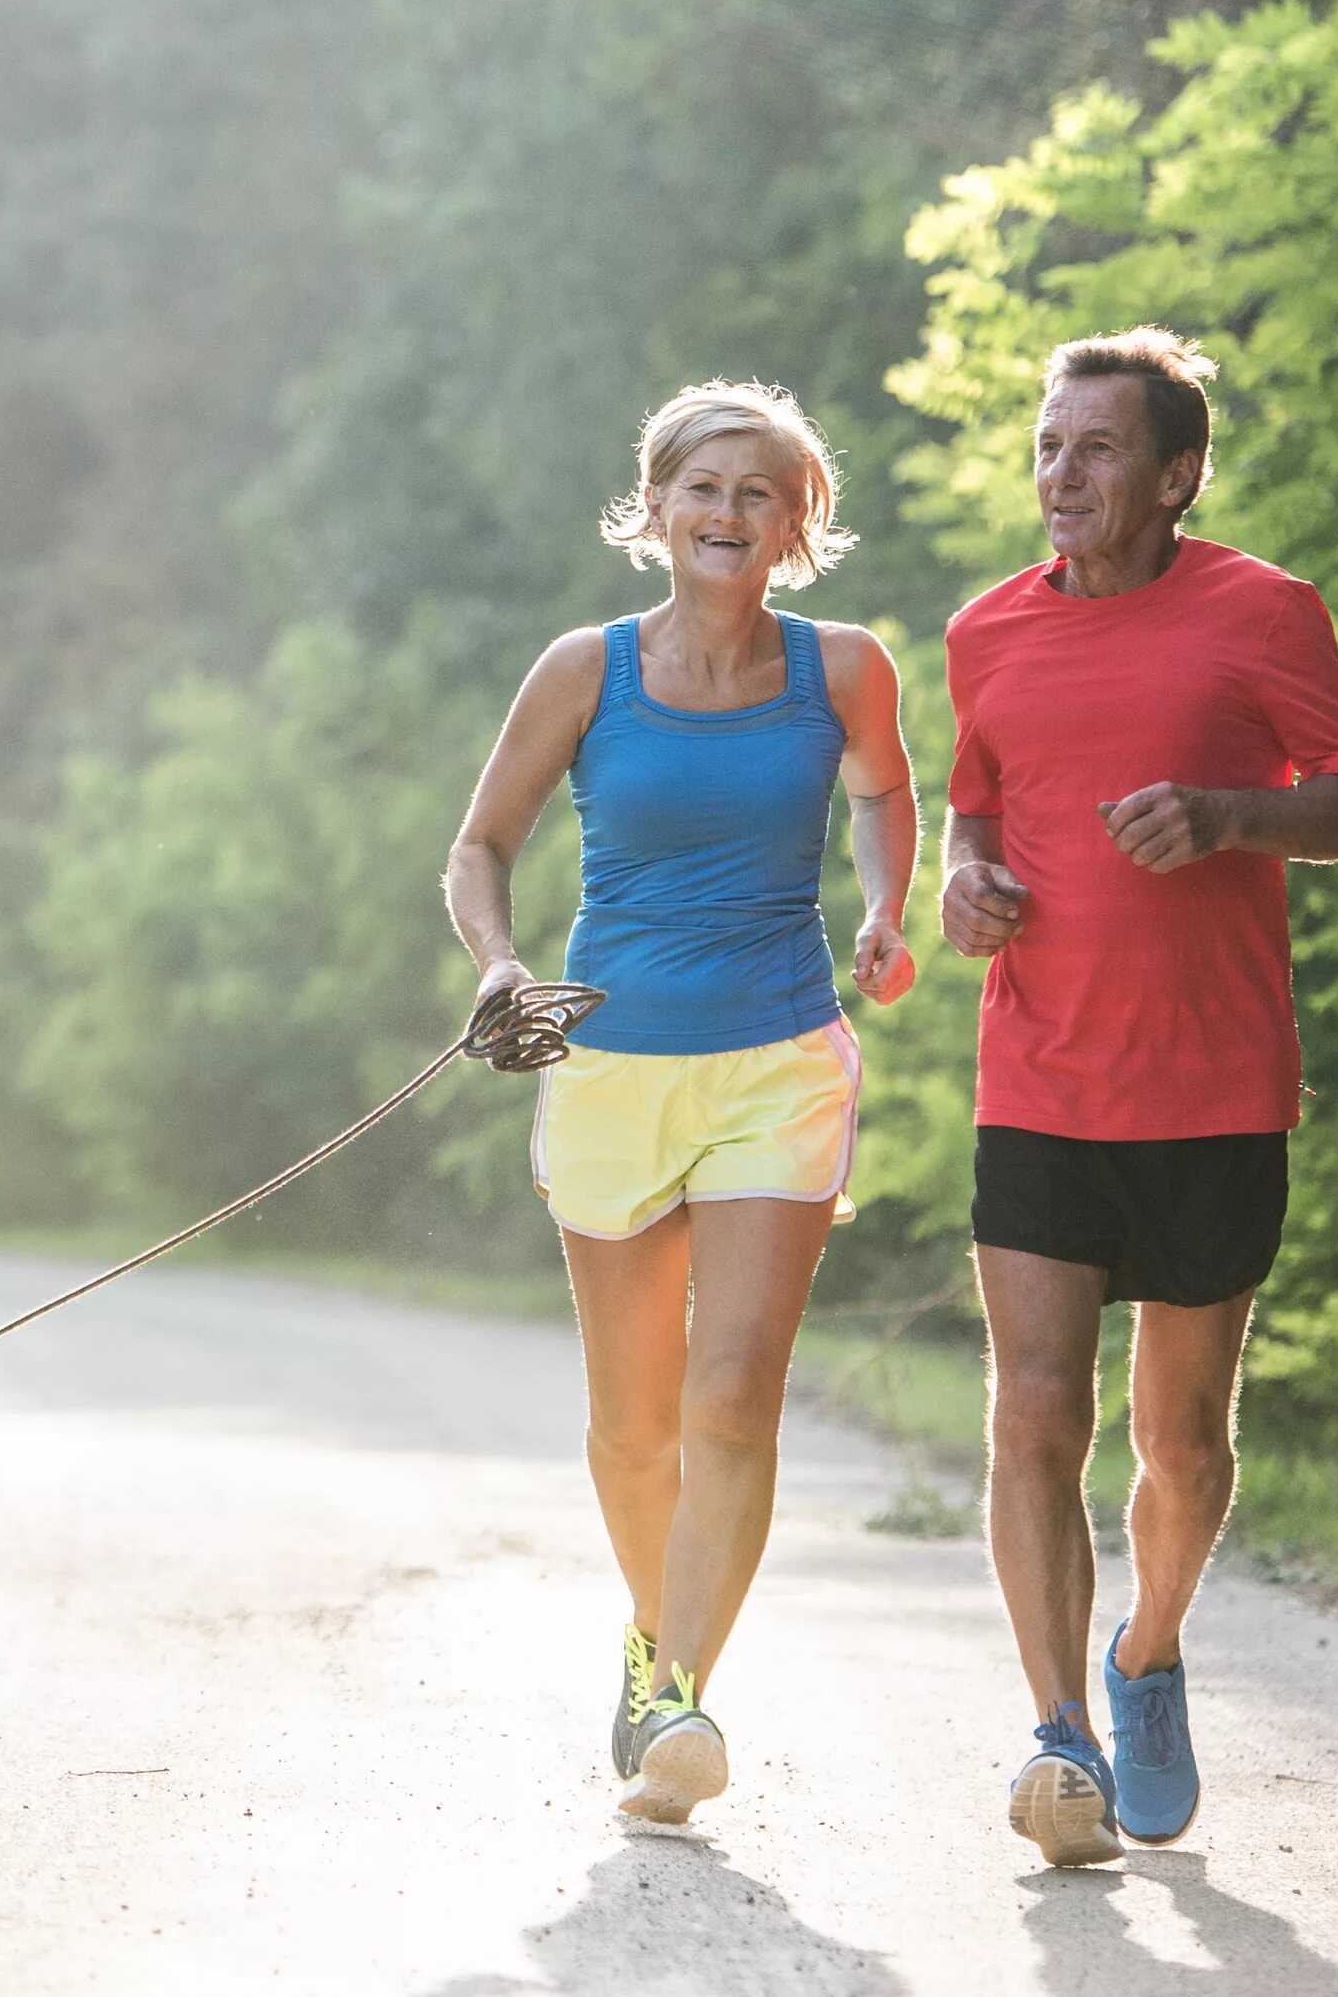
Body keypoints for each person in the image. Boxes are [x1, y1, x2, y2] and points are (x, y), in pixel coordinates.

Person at [940, 326, 1338, 1867]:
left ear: (1176, 473)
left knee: (1183, 1447)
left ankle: (1148, 1655)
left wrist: (1223, 816)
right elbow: (975, 809)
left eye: (1098, 449)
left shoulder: (1265, 613)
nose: (1063, 475)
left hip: (1213, 1085)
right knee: (1032, 1409)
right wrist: (967, 887)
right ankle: (1060, 1732)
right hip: (1043, 1073)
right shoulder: (987, 631)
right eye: (1049, 447)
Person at [445, 380, 919, 1824]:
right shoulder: (586, 671)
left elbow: (885, 795)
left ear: (797, 521)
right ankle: (655, 1648)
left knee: (735, 1393)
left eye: (757, 493)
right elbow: (480, 846)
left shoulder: (843, 668)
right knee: (634, 1421)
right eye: (703, 489)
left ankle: (679, 1695)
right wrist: (504, 964)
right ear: (654, 510)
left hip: (779, 1060)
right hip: (608, 1069)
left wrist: (889, 907)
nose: (727, 515)